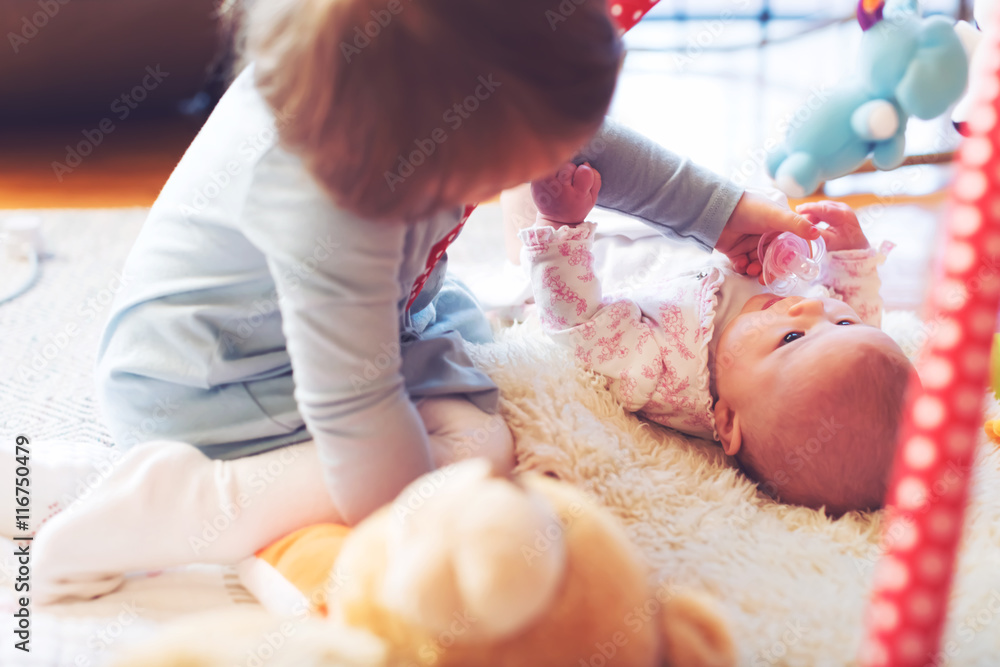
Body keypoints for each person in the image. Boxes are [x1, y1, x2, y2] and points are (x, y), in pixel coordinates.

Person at [19, 0, 818, 604]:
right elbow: (356, 409)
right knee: (475, 452)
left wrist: (724, 215)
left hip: (360, 331)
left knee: (476, 370)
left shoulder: (426, 93)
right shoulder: (338, 208)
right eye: (534, 153)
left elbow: (582, 143)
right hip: (216, 391)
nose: (556, 168)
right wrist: (434, 526)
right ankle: (183, 504)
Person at [519, 162, 914, 515]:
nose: (811, 309)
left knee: (528, 167)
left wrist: (559, 224)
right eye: (842, 324)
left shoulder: (662, 370)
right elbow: (864, 323)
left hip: (599, 245)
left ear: (726, 421)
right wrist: (850, 255)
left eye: (792, 337)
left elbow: (581, 324)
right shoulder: (825, 338)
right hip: (683, 220)